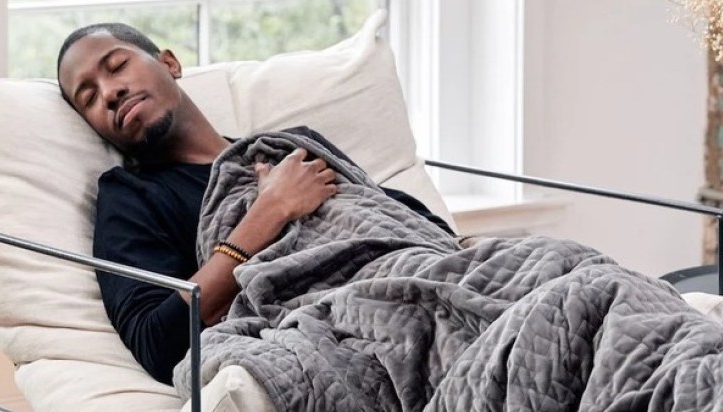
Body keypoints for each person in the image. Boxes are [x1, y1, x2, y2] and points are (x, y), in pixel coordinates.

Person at [55, 23, 452, 385]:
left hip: (431, 277)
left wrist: (462, 248)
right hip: (364, 325)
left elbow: (395, 214)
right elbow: (155, 344)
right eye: (89, 98)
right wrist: (268, 213)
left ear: (170, 63)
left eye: (118, 65)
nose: (109, 92)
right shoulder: (131, 197)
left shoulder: (291, 148)